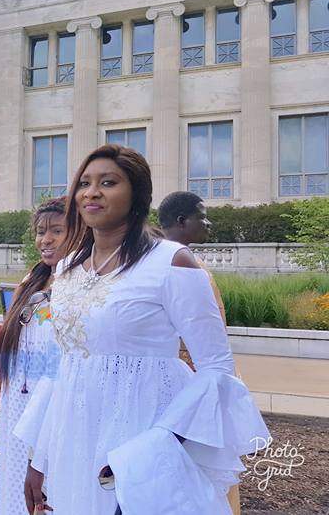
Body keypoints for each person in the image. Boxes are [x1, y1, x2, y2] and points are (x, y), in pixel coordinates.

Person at [17, 145, 269, 514]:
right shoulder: (68, 268)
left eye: (108, 182)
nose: (92, 192)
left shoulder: (172, 262)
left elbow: (217, 370)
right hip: (75, 434)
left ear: (137, 194)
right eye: (84, 183)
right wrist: (39, 459)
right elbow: (66, 364)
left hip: (144, 434)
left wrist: (156, 447)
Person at [0, 198, 66, 515]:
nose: (46, 239)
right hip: (18, 404)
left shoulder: (79, 284)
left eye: (57, 230)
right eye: (41, 232)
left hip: (53, 404)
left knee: (48, 490)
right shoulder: (33, 279)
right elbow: (4, 344)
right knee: (14, 488)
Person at [159, 190, 242, 515]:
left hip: (203, 385)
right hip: (186, 392)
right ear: (181, 221)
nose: (208, 223)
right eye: (201, 216)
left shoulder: (192, 263)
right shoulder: (173, 266)